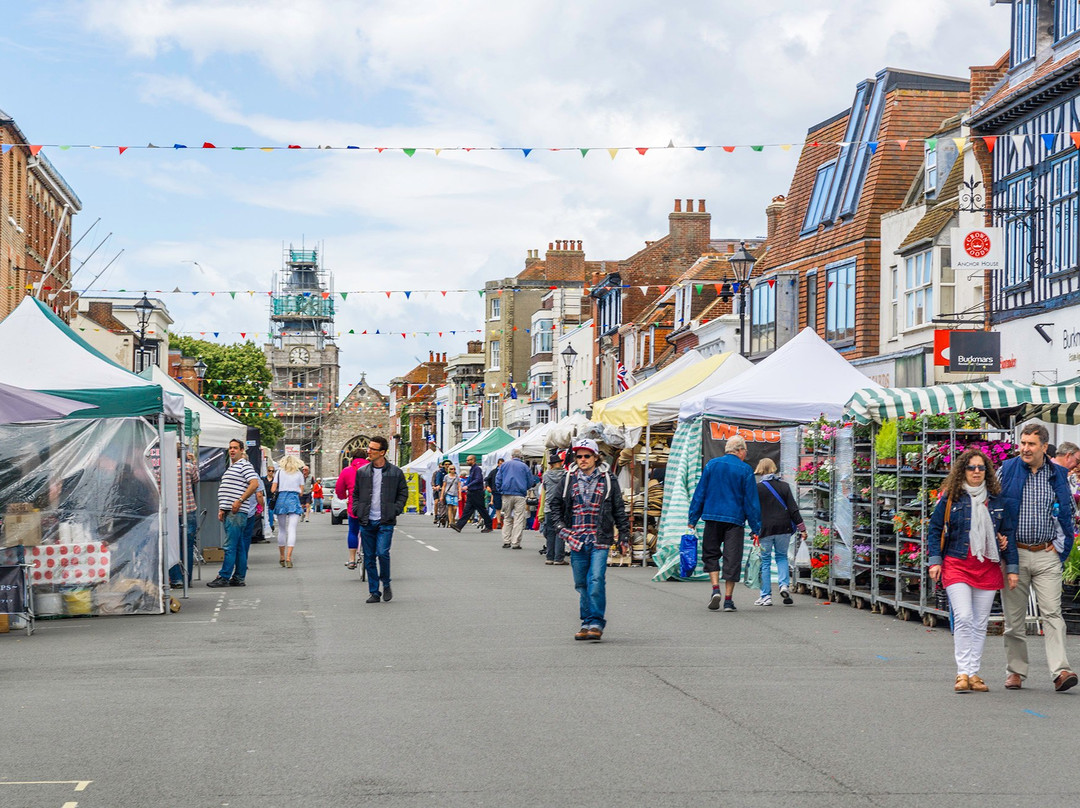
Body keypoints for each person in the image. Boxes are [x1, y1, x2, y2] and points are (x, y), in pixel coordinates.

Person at [927, 447, 1018, 693]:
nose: (976, 472)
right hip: (956, 564)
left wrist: (1012, 568)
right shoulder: (951, 498)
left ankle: (974, 673)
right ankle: (962, 672)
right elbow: (934, 529)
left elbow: (1007, 532)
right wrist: (935, 560)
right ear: (962, 471)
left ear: (986, 471)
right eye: (971, 467)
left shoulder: (997, 500)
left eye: (981, 467)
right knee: (964, 617)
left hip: (987, 566)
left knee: (980, 623)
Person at [999, 422, 1078, 692]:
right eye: (1023, 443)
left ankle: (1061, 671)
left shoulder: (1057, 473)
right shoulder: (1007, 469)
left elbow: (1068, 512)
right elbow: (993, 505)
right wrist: (999, 540)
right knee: (1014, 619)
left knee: (1053, 614)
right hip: (1014, 554)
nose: (1025, 448)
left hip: (1046, 554)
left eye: (1031, 444)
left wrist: (1060, 547)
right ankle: (1016, 671)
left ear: (1045, 447)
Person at [548, 438, 630, 641]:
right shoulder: (568, 479)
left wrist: (624, 535)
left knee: (595, 580)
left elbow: (618, 508)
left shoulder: (608, 479)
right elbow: (555, 505)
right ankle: (586, 623)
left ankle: (596, 622)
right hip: (577, 539)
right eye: (579, 456)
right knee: (581, 584)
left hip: (599, 538)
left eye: (586, 456)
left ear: (595, 457)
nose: (582, 460)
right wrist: (562, 529)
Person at [687, 435, 762, 613]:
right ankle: (728, 600)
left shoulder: (712, 465)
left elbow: (700, 493)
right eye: (745, 451)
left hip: (712, 517)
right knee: (732, 559)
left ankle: (715, 589)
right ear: (741, 451)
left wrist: (692, 519)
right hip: (734, 520)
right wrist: (756, 527)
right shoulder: (745, 470)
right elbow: (751, 502)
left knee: (711, 554)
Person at [352, 436, 409, 603]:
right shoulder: (362, 472)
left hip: (386, 520)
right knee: (369, 557)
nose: (368, 451)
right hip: (367, 520)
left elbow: (403, 493)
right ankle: (374, 592)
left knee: (382, 553)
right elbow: (355, 494)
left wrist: (395, 509)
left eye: (372, 449)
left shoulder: (395, 472)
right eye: (368, 448)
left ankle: (386, 583)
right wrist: (358, 509)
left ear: (382, 452)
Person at [208, 438, 260, 588]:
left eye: (235, 448)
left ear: (242, 450)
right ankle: (238, 577)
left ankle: (224, 576)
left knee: (230, 546)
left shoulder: (244, 465)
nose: (232, 450)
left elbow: (254, 483)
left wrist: (240, 500)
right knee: (238, 546)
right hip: (230, 511)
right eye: (230, 448)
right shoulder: (233, 466)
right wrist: (222, 508)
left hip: (236, 512)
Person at [754, 458, 805, 607]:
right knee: (782, 557)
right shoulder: (784, 486)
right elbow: (793, 509)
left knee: (765, 561)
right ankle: (784, 585)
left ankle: (766, 596)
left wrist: (753, 529)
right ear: (774, 468)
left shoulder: (757, 489)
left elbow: (754, 511)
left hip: (765, 529)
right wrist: (802, 528)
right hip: (784, 528)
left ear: (760, 469)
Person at [167, 449, 200, 589]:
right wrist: (193, 461)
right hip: (188, 510)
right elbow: (196, 479)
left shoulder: (164, 468)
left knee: (172, 546)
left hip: (171, 512)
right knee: (187, 545)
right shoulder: (188, 467)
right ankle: (187, 578)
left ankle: (176, 579)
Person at [336, 449, 370, 570]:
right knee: (371, 531)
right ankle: (370, 556)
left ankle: (351, 559)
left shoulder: (347, 471)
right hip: (370, 506)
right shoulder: (372, 469)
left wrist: (343, 496)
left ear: (352, 458)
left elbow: (339, 489)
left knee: (353, 531)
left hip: (354, 506)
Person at [496, 449, 536, 550]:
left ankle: (506, 541)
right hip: (520, 494)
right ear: (520, 456)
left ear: (511, 456)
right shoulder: (524, 466)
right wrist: (525, 488)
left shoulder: (504, 465)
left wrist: (500, 489)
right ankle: (515, 542)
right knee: (518, 518)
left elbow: (498, 478)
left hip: (506, 493)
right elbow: (530, 481)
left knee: (507, 517)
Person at [273, 455, 306, 568]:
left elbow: (273, 489)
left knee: (282, 530)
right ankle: (288, 557)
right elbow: (301, 492)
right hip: (293, 500)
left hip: (281, 499)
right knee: (292, 529)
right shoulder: (299, 474)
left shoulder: (279, 473)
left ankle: (282, 556)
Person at [450, 455, 493, 533]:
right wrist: (466, 486)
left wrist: (468, 486)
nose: (467, 462)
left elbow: (478, 479)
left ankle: (489, 525)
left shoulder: (477, 469)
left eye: (469, 460)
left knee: (481, 509)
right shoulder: (472, 469)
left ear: (473, 460)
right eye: (467, 460)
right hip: (471, 492)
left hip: (477, 492)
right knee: (467, 510)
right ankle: (459, 525)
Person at [542, 450, 567, 565]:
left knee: (550, 532)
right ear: (560, 463)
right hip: (561, 507)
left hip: (548, 507)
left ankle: (549, 556)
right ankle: (559, 558)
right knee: (560, 532)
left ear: (551, 465)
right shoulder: (566, 475)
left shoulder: (546, 475)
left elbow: (545, 489)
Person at [486, 458, 504, 529]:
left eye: (503, 464)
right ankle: (499, 522)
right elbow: (487, 479)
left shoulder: (505, 472)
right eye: (500, 464)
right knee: (498, 507)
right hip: (496, 491)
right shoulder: (494, 472)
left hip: (504, 492)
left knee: (506, 507)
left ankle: (503, 522)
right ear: (498, 464)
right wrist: (487, 486)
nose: (501, 465)